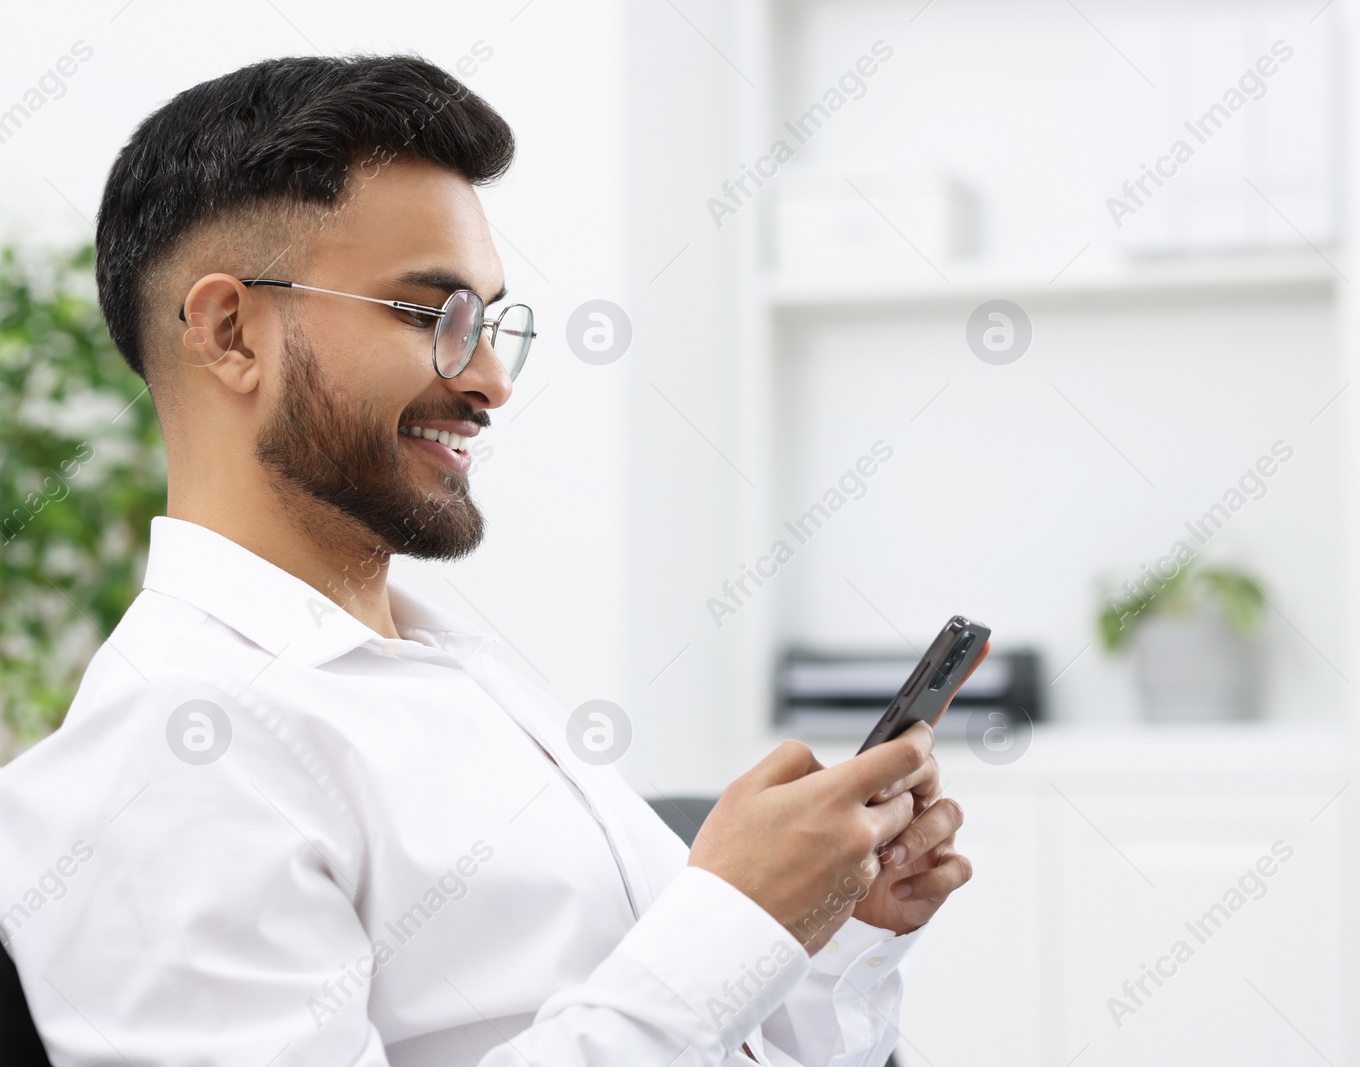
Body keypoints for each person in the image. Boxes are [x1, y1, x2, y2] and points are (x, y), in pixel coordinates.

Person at [0, 55, 970, 1066]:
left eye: (493, 321)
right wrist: (732, 918)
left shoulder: (451, 671)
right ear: (232, 330)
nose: (494, 380)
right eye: (434, 315)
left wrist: (830, 931)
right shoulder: (170, 753)